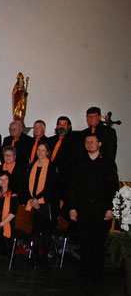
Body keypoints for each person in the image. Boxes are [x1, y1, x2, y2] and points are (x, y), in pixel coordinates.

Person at [69, 134, 118, 281]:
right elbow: (73, 187)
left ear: (100, 144)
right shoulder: (80, 163)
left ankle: (97, 273)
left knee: (98, 241)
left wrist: (111, 208)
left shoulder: (108, 163)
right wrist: (72, 207)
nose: (89, 144)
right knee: (84, 241)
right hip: (83, 208)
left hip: (101, 208)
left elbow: (113, 188)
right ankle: (85, 271)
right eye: (87, 142)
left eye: (93, 142)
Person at [23, 142, 56, 265]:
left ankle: (44, 257)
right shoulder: (32, 165)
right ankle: (34, 256)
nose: (40, 152)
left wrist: (38, 198)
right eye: (38, 150)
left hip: (45, 203)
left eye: (43, 150)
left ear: (48, 152)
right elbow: (27, 184)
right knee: (34, 231)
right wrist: (31, 199)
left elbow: (50, 186)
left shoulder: (51, 166)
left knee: (45, 232)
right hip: (32, 202)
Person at [49, 116, 78, 214]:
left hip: (65, 179)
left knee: (64, 208)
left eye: (64, 124)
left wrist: (59, 168)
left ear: (69, 127)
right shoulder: (51, 140)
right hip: (50, 178)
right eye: (59, 124)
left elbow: (73, 159)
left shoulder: (74, 141)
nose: (61, 126)